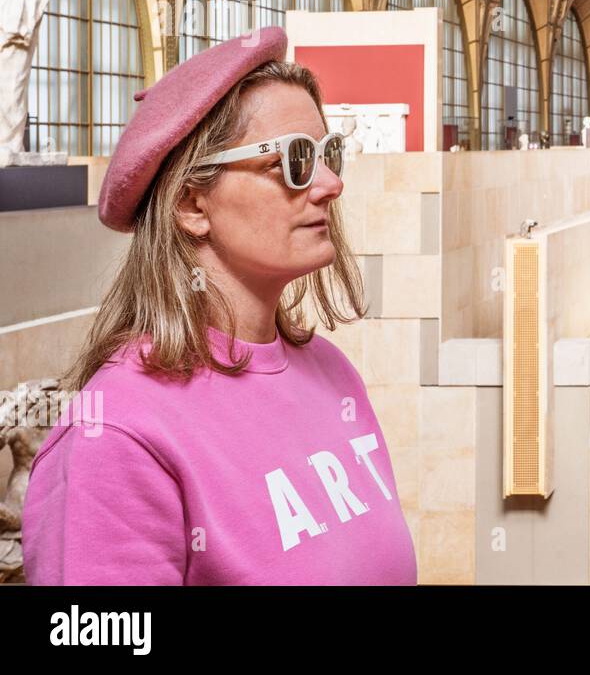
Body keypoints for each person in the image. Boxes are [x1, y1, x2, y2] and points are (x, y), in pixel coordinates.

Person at [20, 29, 417, 585]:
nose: (330, 185)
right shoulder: (116, 438)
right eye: (293, 160)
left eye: (329, 155)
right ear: (191, 203)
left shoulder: (334, 376)